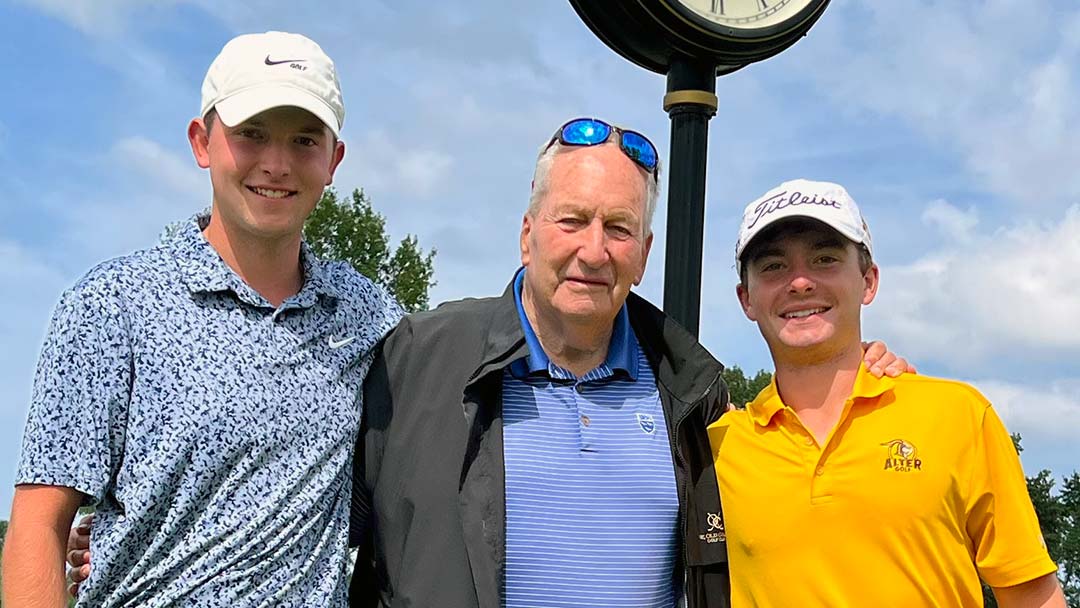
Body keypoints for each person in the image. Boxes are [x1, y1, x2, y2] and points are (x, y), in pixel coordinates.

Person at [348, 121, 908, 608]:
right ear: (527, 236)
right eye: (571, 221)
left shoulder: (695, 397)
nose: (594, 251)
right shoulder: (417, 358)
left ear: (642, 254)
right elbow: (317, 539)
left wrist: (864, 387)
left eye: (618, 228)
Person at [3, 31, 401, 607]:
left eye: (304, 140)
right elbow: (39, 525)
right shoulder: (112, 304)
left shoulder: (367, 316)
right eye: (251, 134)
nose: (276, 163)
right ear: (202, 141)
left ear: (334, 159)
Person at [709, 179, 1066, 607]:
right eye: (773, 266)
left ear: (869, 280)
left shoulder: (958, 415)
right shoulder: (716, 447)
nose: (800, 282)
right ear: (746, 299)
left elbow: (1033, 597)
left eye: (824, 259)